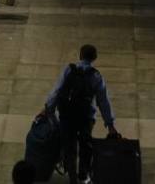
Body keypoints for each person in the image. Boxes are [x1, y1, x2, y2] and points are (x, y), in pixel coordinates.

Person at [44, 44, 118, 184]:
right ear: (94, 58)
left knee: (69, 146)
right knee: (85, 145)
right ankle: (83, 176)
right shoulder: (96, 76)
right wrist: (110, 124)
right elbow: (103, 101)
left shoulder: (69, 69)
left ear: (80, 55)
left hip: (67, 115)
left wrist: (49, 108)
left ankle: (72, 176)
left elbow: (57, 90)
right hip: (86, 117)